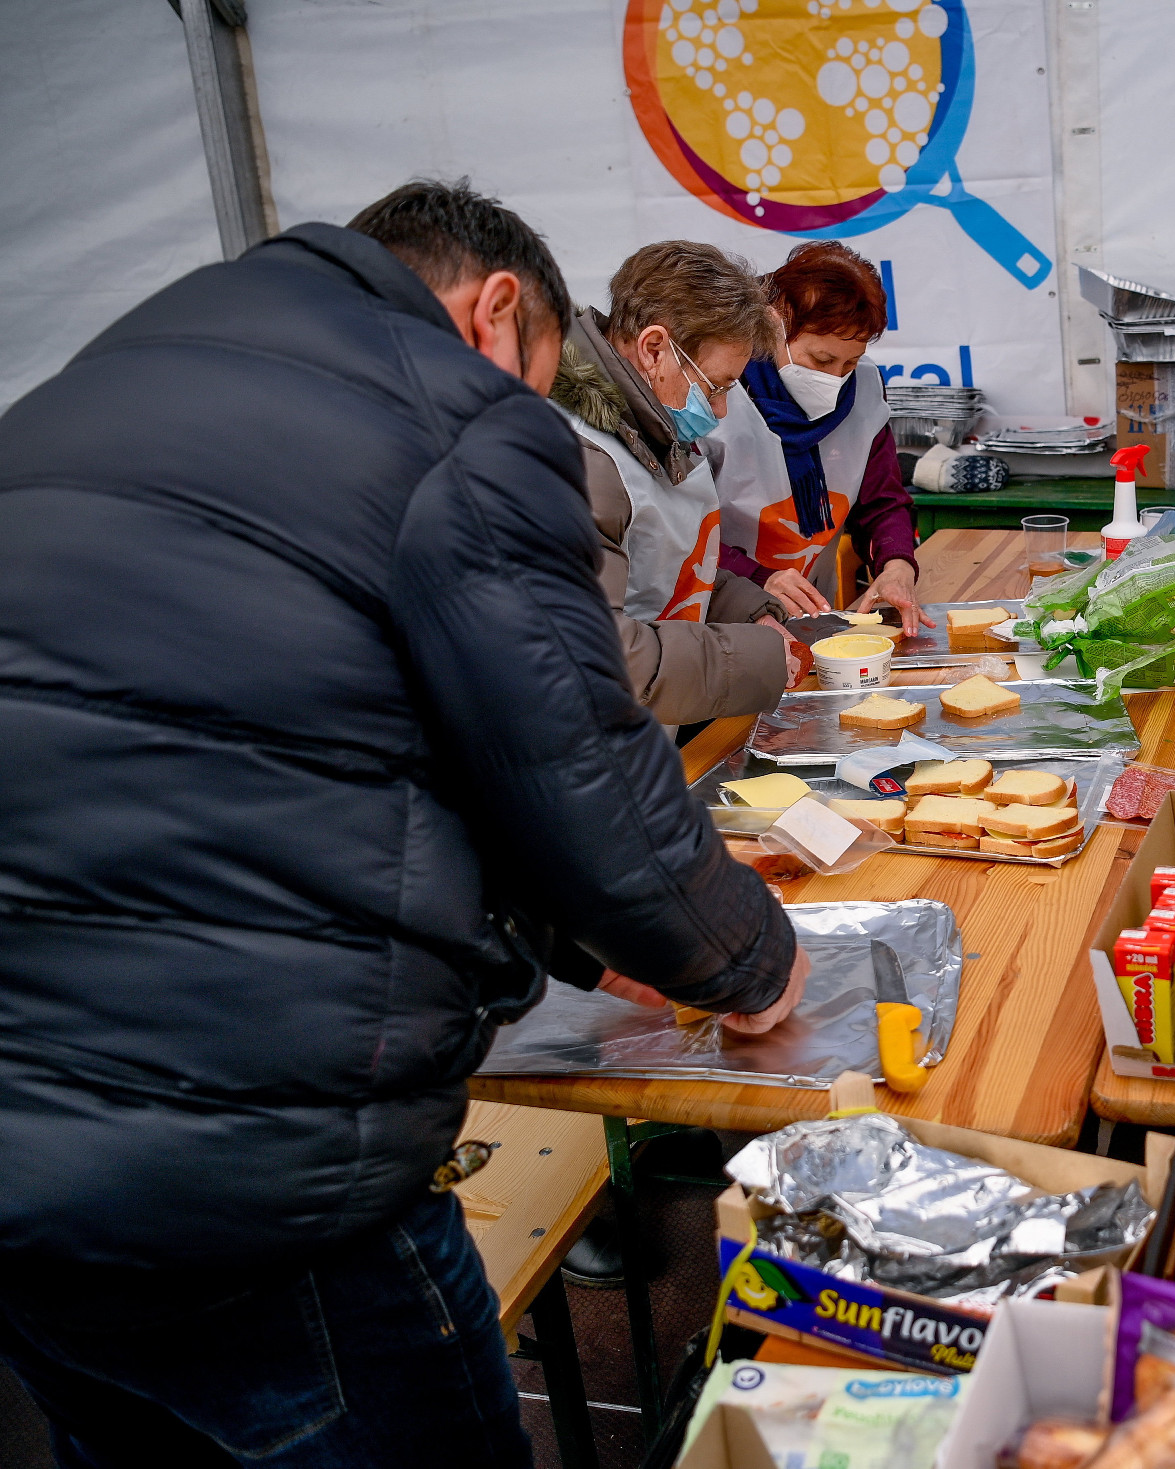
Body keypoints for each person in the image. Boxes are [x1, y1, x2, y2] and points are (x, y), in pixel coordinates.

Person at [0, 181, 806, 1464]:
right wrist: (743, 958)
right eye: (534, 379)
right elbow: (570, 742)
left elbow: (318, 737)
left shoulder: (106, 384)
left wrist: (573, 943)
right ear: (495, 314)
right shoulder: (451, 416)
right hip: (257, 1166)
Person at [551, 239, 804, 723]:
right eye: (718, 386)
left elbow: (663, 568)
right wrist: (755, 660)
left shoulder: (652, 421)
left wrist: (749, 611)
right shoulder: (580, 459)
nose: (722, 409)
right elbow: (592, 653)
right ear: (653, 349)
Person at [714, 240, 928, 628]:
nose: (835, 379)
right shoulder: (716, 391)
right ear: (773, 322)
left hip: (812, 614)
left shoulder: (863, 390)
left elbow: (881, 502)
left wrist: (896, 564)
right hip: (721, 614)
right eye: (821, 360)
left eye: (850, 361)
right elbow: (680, 534)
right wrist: (760, 578)